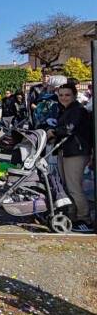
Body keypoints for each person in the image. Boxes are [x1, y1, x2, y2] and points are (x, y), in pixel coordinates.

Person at [48, 84, 93, 232]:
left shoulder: (77, 110)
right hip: (66, 151)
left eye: (67, 95)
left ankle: (84, 218)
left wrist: (53, 132)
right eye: (61, 95)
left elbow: (69, 128)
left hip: (76, 152)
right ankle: (72, 215)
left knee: (74, 187)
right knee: (67, 186)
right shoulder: (66, 109)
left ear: (74, 95)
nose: (63, 98)